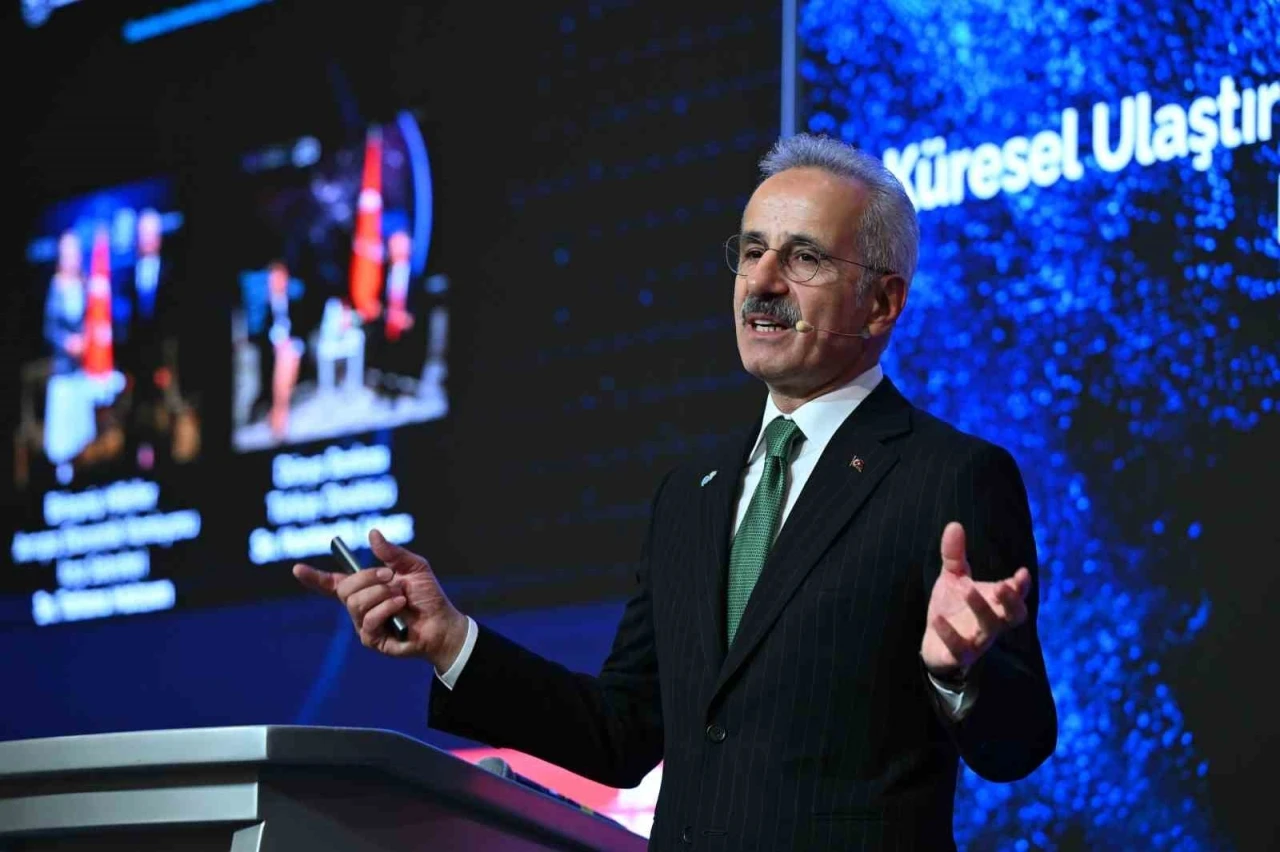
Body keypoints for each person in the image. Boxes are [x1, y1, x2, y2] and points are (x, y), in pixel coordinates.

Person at [293, 134, 1057, 850]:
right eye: (751, 251)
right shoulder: (690, 495)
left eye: (803, 258)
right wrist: (452, 640)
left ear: (883, 303)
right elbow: (623, 733)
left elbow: (1019, 743)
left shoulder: (949, 475)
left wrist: (957, 672)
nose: (761, 283)